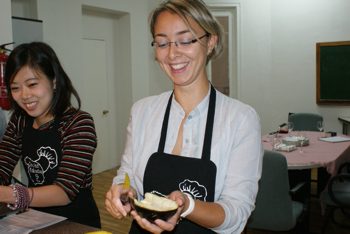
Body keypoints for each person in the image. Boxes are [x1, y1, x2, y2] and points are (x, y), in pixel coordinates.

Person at [105, 0, 263, 233]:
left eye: (186, 40)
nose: (172, 53)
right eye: (161, 43)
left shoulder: (240, 119)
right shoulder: (142, 111)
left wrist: (188, 206)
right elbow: (127, 177)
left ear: (210, 42)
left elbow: (237, 214)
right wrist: (123, 193)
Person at [0, 42, 101, 228]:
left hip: (76, 223)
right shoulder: (20, 121)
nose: (24, 95)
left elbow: (64, 192)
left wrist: (10, 194)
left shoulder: (78, 123)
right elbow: (3, 164)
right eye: (15, 88)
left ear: (53, 81)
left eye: (32, 84)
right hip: (36, 219)